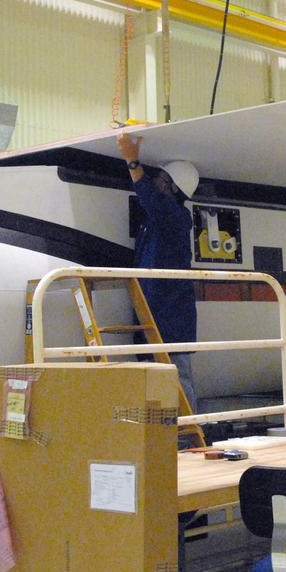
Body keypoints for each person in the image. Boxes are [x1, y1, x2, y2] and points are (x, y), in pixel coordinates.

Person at [116, 131, 200, 411]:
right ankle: (159, 435)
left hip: (170, 316)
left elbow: (150, 197)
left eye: (161, 180)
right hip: (152, 311)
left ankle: (187, 434)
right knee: (153, 376)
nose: (155, 182)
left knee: (177, 375)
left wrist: (131, 159)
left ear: (174, 189)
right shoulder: (157, 221)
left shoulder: (176, 218)